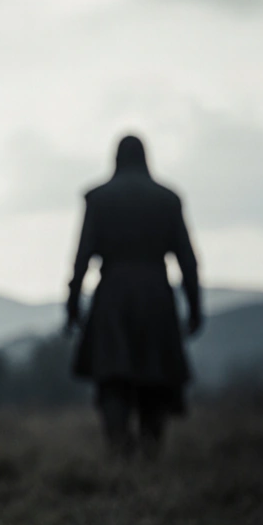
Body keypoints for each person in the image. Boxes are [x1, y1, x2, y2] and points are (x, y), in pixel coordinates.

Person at [66, 134, 202, 460]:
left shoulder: (98, 198)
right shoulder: (168, 199)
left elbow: (82, 257)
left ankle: (120, 455)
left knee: (113, 379)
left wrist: (72, 304)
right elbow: (187, 260)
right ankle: (150, 454)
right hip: (156, 294)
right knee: (155, 380)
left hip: (112, 294)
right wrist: (195, 307)